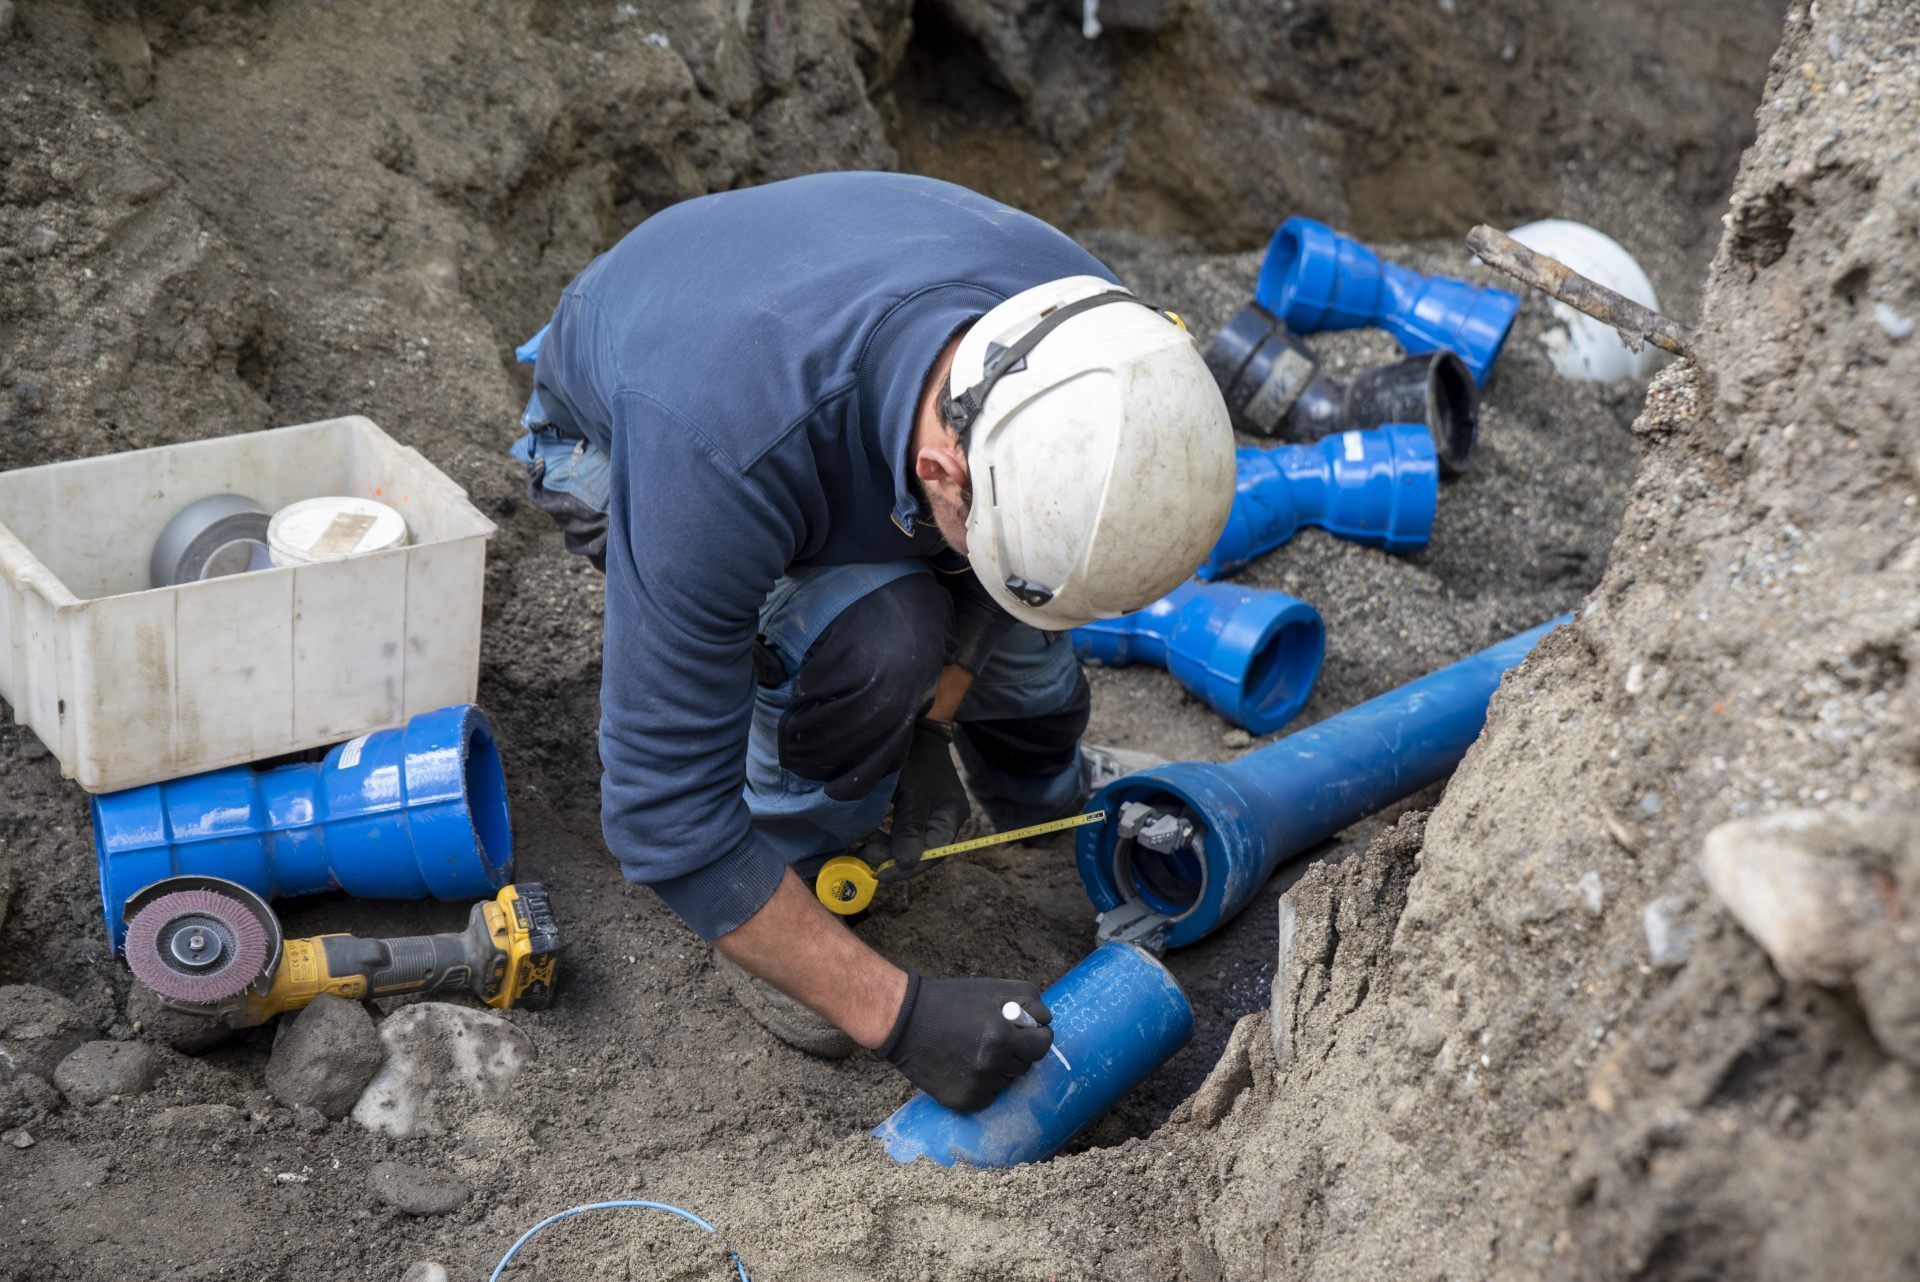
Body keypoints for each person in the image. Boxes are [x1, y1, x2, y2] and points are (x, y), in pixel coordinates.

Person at [513, 171, 1234, 1111]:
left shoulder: (1089, 347)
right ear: (941, 469)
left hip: (813, 369)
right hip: (619, 433)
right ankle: (794, 868)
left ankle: (1042, 802)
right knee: (873, 642)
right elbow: (663, 822)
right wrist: (898, 1014)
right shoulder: (720, 453)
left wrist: (940, 713)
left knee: (1022, 665)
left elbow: (999, 579)